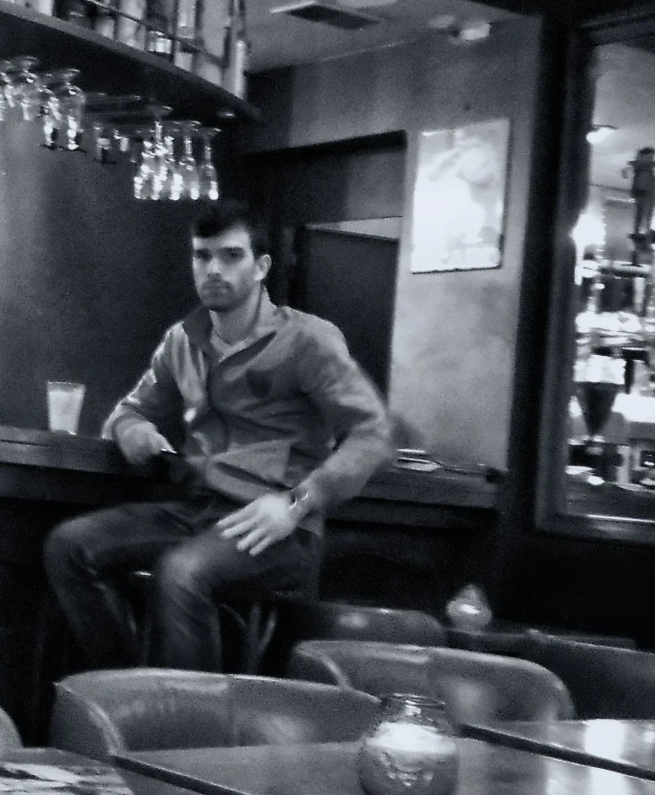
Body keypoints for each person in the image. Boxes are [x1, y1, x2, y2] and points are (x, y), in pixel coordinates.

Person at [43, 200, 395, 671]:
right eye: (201, 256)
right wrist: (136, 429)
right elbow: (128, 412)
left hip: (278, 524)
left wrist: (297, 502)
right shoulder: (182, 341)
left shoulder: (307, 340)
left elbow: (372, 434)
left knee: (181, 573)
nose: (212, 269)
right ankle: (129, 692)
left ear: (262, 266)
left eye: (230, 256)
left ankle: (190, 731)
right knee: (69, 546)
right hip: (197, 508)